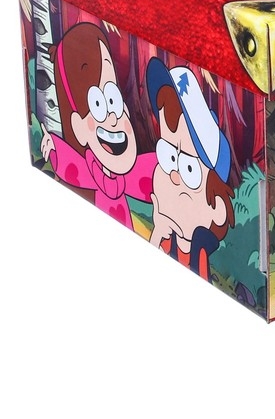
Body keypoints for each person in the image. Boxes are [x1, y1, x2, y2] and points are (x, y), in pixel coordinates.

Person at [40, 23, 156, 230]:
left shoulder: (142, 174)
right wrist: (55, 148)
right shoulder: (81, 171)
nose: (112, 118)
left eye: (113, 99)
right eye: (98, 105)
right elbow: (71, 166)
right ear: (77, 125)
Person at [146, 58, 235, 282]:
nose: (174, 176)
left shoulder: (200, 252)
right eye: (168, 157)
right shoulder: (168, 236)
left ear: (218, 209)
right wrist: (158, 230)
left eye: (189, 168)